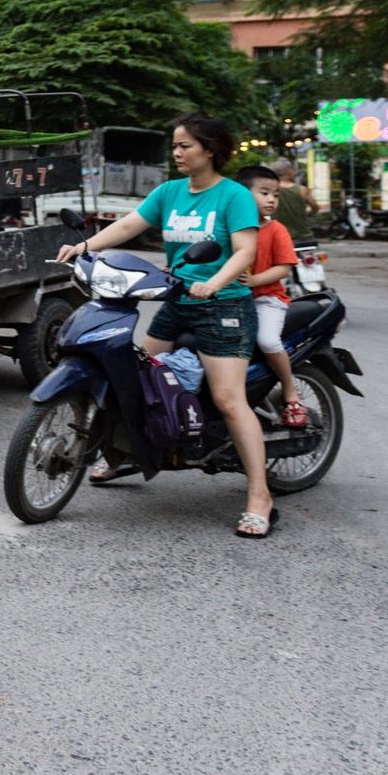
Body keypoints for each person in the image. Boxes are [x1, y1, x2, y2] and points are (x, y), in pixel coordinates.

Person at [55, 113, 273, 538]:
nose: (177, 153)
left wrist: (213, 283)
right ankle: (125, 454)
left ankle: (259, 495)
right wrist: (83, 246)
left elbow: (245, 251)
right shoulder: (170, 191)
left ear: (210, 149)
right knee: (130, 376)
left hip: (222, 307)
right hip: (177, 301)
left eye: (185, 145)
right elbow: (129, 225)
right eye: (174, 145)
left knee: (229, 400)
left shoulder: (233, 196)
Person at [237, 166, 308, 429]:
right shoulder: (232, 226)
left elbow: (284, 267)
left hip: (268, 299)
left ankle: (290, 391)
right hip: (234, 301)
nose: (271, 200)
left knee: (267, 340)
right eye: (264, 193)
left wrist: (255, 280)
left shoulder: (277, 230)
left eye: (275, 195)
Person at [272, 159, 312, 240]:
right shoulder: (302, 190)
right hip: (303, 236)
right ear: (289, 171)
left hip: (279, 237)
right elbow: (315, 207)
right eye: (293, 169)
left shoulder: (271, 190)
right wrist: (306, 213)